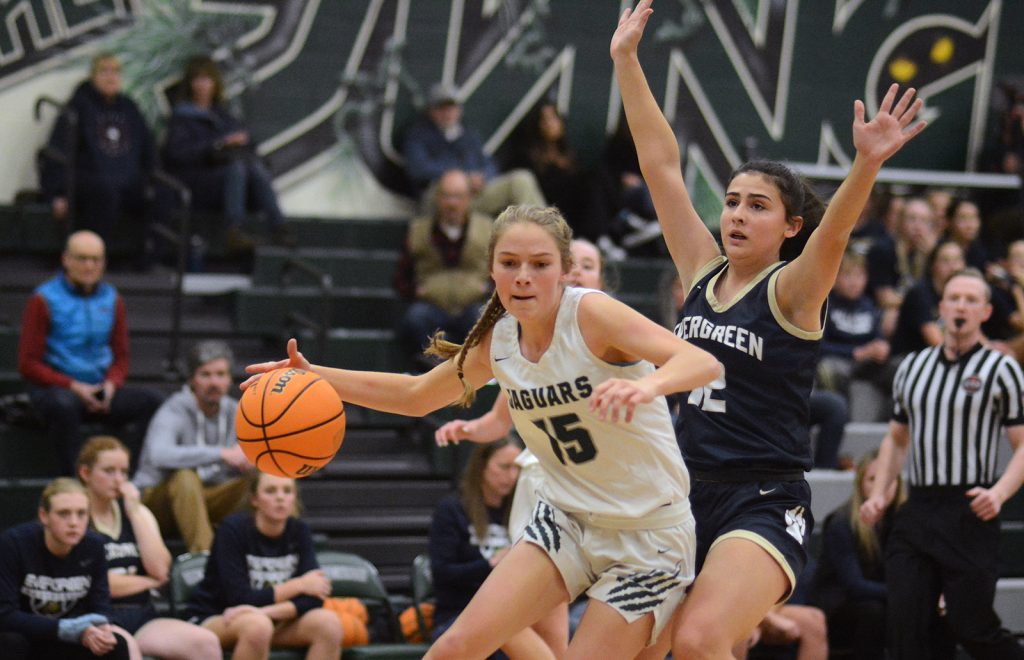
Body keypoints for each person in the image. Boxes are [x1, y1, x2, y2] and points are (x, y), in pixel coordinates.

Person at [243, 204, 722, 658]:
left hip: (649, 534)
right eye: (509, 263)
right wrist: (316, 375)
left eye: (539, 263)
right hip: (567, 520)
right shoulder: (500, 342)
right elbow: (416, 396)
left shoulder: (591, 315)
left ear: (565, 268)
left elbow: (701, 360)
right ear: (491, 270)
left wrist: (647, 386)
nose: (523, 276)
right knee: (452, 649)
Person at [611, 1, 926, 655]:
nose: (736, 215)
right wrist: (625, 62)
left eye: (757, 206)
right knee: (643, 648)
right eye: (730, 202)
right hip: (684, 489)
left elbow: (835, 231)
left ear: (789, 227)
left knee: (699, 640)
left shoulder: (792, 289)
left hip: (763, 495)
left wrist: (865, 164)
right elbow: (662, 168)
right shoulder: (700, 268)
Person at [433, 237, 606, 656]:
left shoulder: (610, 331)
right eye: (574, 264)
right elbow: (501, 415)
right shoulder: (528, 337)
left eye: (589, 265)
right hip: (547, 492)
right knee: (525, 630)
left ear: (601, 279)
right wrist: (475, 429)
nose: (580, 271)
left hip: (609, 498)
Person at [861, 268, 1024, 659]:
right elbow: (897, 438)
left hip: (970, 509)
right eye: (954, 298)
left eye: (971, 300)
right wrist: (881, 492)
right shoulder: (914, 367)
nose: (961, 307)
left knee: (973, 628)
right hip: (917, 510)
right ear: (941, 308)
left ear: (985, 312)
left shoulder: (1002, 370)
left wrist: (999, 493)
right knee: (906, 629)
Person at [17, 230, 163, 476]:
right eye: (82, 258)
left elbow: (121, 358)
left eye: (96, 260)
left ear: (104, 263)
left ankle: (132, 476)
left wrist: (111, 384)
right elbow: (28, 364)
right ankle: (76, 482)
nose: (89, 266)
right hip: (57, 389)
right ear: (66, 259)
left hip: (98, 388)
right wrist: (73, 386)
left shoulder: (112, 299)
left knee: (153, 401)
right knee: (63, 406)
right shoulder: (43, 299)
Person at [77, 436, 223, 660]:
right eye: (109, 471)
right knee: (127, 650)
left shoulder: (136, 513)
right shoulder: (75, 517)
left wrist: (135, 511)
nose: (118, 480)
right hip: (99, 618)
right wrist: (148, 583)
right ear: (86, 473)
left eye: (124, 472)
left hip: (142, 614)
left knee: (206, 643)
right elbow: (97, 584)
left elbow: (161, 571)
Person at [184, 472, 342, 659]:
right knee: (258, 626)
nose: (280, 498)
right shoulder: (232, 530)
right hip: (218, 616)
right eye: (270, 491)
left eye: (287, 491)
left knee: (329, 624)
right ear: (254, 500)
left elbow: (314, 598)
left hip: (268, 618)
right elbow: (239, 598)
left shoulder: (299, 530)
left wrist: (266, 612)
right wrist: (299, 585)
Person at [429, 440, 556, 658]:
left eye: (517, 468)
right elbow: (441, 573)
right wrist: (489, 565)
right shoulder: (452, 510)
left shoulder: (523, 510)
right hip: (458, 613)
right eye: (504, 467)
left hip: (514, 615)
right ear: (482, 466)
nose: (512, 476)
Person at [134, 340, 252, 553]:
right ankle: (204, 559)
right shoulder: (174, 409)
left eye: (220, 374)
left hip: (208, 497)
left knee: (269, 477)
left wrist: (251, 461)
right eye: (205, 375)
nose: (214, 382)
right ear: (192, 380)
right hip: (158, 502)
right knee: (185, 477)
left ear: (229, 379)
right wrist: (222, 454)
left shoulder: (237, 411)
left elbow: (247, 457)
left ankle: (282, 555)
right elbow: (159, 454)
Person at [162, 55, 290, 251]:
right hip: (196, 182)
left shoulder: (224, 116)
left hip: (230, 183)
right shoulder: (182, 117)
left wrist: (239, 144)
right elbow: (177, 155)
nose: (202, 85)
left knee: (253, 167)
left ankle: (279, 226)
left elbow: (250, 148)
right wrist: (217, 145)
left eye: (207, 79)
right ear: (190, 83)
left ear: (215, 83)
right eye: (198, 79)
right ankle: (234, 230)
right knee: (236, 169)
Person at [0, 478, 131, 660]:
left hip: (71, 639)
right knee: (9, 641)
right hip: (27, 635)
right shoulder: (14, 544)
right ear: (44, 516)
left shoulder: (94, 546)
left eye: (81, 514)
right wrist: (63, 628)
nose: (73, 522)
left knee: (114, 644)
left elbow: (101, 606)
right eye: (64, 513)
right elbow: (5, 615)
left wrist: (100, 629)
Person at [39, 52, 155, 249]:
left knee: (163, 194)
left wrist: (151, 178)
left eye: (116, 71)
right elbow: (57, 151)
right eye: (104, 71)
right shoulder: (78, 106)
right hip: (90, 181)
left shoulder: (129, 107)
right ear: (93, 76)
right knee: (105, 192)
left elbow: (148, 149)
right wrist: (56, 194)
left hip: (126, 180)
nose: (111, 77)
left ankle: (150, 260)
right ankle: (94, 258)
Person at [393, 169, 494, 372]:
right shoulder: (419, 230)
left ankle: (475, 368)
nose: (452, 203)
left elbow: (501, 269)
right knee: (416, 318)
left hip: (473, 303)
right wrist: (415, 291)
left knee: (484, 318)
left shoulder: (488, 229)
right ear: (438, 199)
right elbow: (400, 277)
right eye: (447, 196)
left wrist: (489, 289)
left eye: (458, 196)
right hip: (433, 305)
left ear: (469, 199)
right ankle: (436, 367)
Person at [811, 451, 905, 660]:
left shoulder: (903, 522)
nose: (882, 488)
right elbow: (854, 585)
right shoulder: (841, 523)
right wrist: (902, 594)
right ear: (860, 482)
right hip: (838, 605)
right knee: (875, 611)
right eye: (873, 480)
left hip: (881, 597)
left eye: (889, 480)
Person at [402, 82, 546, 217]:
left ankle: (546, 234)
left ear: (459, 110)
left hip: (474, 195)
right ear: (431, 110)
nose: (447, 113)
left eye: (451, 107)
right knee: (448, 189)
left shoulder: (469, 135)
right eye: (441, 107)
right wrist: (463, 179)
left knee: (522, 179)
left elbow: (489, 164)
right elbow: (419, 169)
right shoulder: (418, 135)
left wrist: (482, 179)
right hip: (441, 197)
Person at [507, 102, 595, 240]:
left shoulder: (570, 156)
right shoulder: (525, 156)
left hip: (569, 219)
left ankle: (592, 238)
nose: (550, 124)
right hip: (540, 213)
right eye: (545, 119)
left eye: (554, 118)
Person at [890, 239, 965, 356]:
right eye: (946, 261)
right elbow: (937, 343)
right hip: (907, 361)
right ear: (933, 265)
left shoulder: (962, 294)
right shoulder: (920, 294)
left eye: (957, 260)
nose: (953, 267)